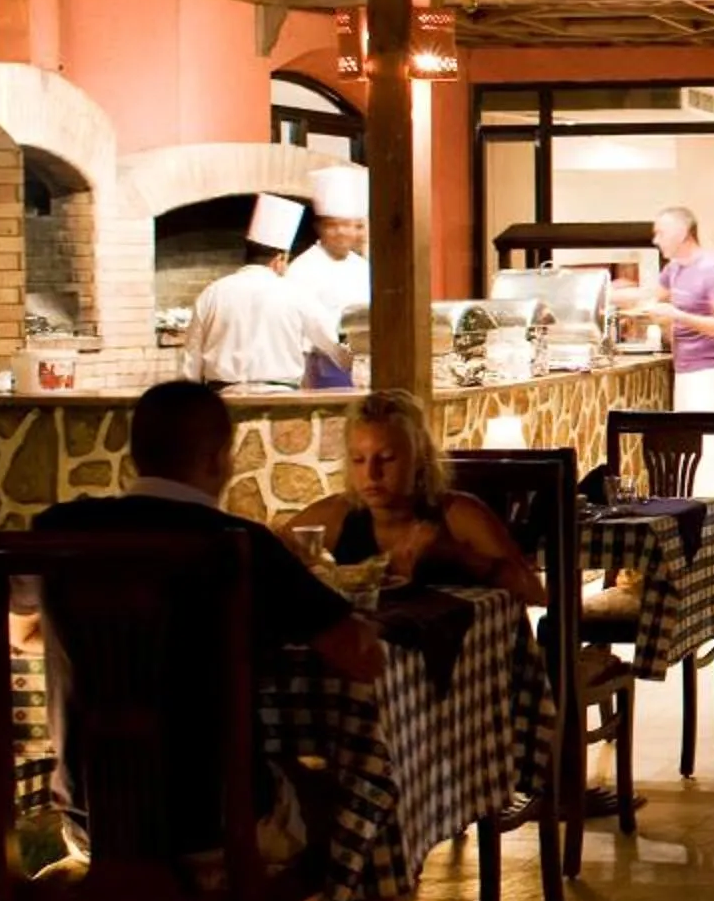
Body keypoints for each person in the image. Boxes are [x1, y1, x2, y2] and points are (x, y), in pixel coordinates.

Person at [30, 380, 386, 901]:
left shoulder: (59, 530)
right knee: (371, 811)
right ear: (222, 458)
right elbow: (358, 657)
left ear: (136, 452)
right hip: (217, 826)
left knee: (143, 804)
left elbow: (17, 631)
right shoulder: (237, 548)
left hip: (92, 826)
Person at [284, 390, 547, 609]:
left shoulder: (457, 515)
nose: (371, 474)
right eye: (358, 460)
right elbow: (264, 553)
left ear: (419, 458)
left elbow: (535, 592)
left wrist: (457, 556)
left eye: (386, 458)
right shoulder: (337, 515)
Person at [185, 195, 347, 392]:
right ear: (280, 258)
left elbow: (191, 360)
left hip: (224, 400)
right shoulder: (295, 293)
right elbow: (331, 342)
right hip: (282, 401)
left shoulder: (212, 293)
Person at [637, 207, 714, 483]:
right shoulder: (674, 269)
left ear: (683, 233)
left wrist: (678, 315)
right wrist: (607, 293)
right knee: (691, 451)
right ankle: (696, 517)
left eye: (661, 233)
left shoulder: (712, 269)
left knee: (711, 453)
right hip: (684, 371)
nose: (656, 240)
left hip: (710, 372)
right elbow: (648, 297)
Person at [281, 165, 370, 389]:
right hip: (320, 367)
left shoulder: (363, 267)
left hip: (365, 363)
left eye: (347, 225)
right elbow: (307, 326)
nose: (341, 232)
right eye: (333, 225)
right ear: (319, 228)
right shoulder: (302, 269)